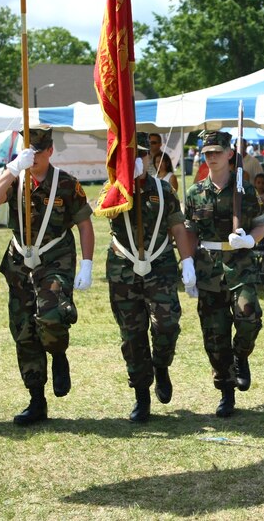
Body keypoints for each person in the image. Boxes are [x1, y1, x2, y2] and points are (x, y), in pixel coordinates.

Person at [0, 128, 95, 426]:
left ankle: (58, 354)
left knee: (52, 314)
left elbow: (84, 224)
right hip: (19, 262)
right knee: (24, 331)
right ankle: (36, 399)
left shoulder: (67, 185)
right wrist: (11, 169)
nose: (33, 158)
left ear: (50, 151)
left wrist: (87, 264)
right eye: (28, 152)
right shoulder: (17, 178)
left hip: (55, 259)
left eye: (38, 152)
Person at [106, 135, 197, 422]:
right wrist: (123, 183)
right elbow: (103, 209)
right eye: (130, 155)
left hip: (160, 267)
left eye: (142, 155)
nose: (137, 160)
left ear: (150, 156)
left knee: (167, 325)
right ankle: (141, 394)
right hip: (124, 270)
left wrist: (188, 262)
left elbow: (178, 227)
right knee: (132, 335)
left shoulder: (164, 190)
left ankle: (161, 365)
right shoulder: (114, 190)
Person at [183, 130, 264, 418]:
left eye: (218, 152)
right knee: (215, 336)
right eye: (208, 153)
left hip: (239, 264)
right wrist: (188, 263)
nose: (213, 157)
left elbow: (260, 225)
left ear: (230, 154)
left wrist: (249, 240)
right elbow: (189, 232)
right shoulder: (195, 192)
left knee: (248, 316)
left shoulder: (244, 190)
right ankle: (226, 392)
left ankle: (241, 355)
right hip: (208, 267)